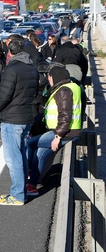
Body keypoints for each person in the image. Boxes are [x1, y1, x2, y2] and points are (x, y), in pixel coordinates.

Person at [0, 39, 39, 206]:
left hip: (12, 117)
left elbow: (4, 95)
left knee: (13, 158)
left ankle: (17, 194)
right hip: (27, 115)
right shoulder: (31, 67)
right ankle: (23, 190)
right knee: (21, 155)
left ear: (10, 53)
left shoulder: (12, 69)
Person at [26, 66, 82, 196]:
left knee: (35, 148)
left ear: (54, 76)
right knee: (39, 150)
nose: (48, 80)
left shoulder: (63, 91)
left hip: (64, 132)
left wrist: (57, 136)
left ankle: (32, 184)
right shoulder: (73, 86)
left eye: (49, 77)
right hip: (66, 130)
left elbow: (65, 115)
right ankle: (33, 177)